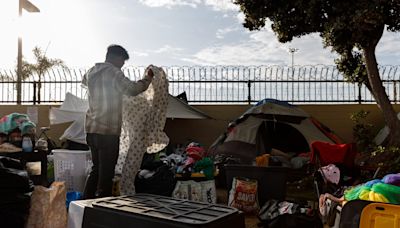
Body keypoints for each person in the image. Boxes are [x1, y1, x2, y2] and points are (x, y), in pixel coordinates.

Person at [81, 44, 154, 199]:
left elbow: (85, 83)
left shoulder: (91, 71)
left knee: (96, 169)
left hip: (91, 129)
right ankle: (103, 207)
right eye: (122, 61)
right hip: (108, 131)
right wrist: (147, 79)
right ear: (116, 58)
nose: (122, 65)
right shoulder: (114, 73)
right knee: (106, 173)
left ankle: (84, 204)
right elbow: (133, 89)